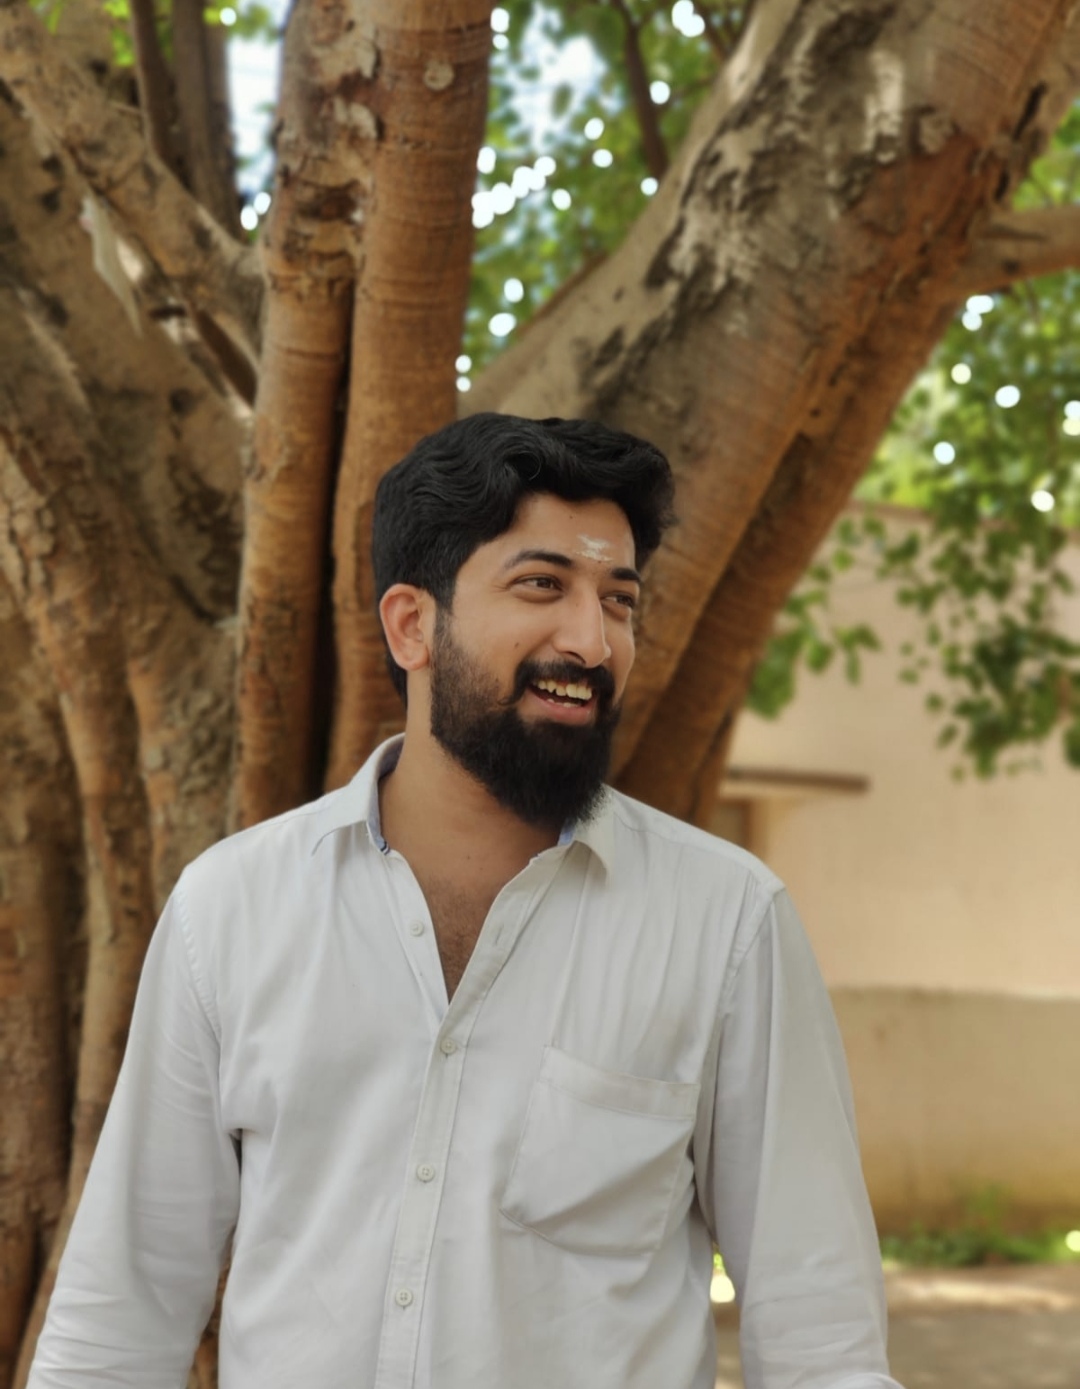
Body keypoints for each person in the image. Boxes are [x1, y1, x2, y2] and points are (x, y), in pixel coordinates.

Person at [27, 413, 903, 1389]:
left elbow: (822, 1341)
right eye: (542, 585)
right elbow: (121, 1319)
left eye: (619, 600)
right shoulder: (233, 909)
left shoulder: (726, 922)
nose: (593, 639)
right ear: (412, 625)